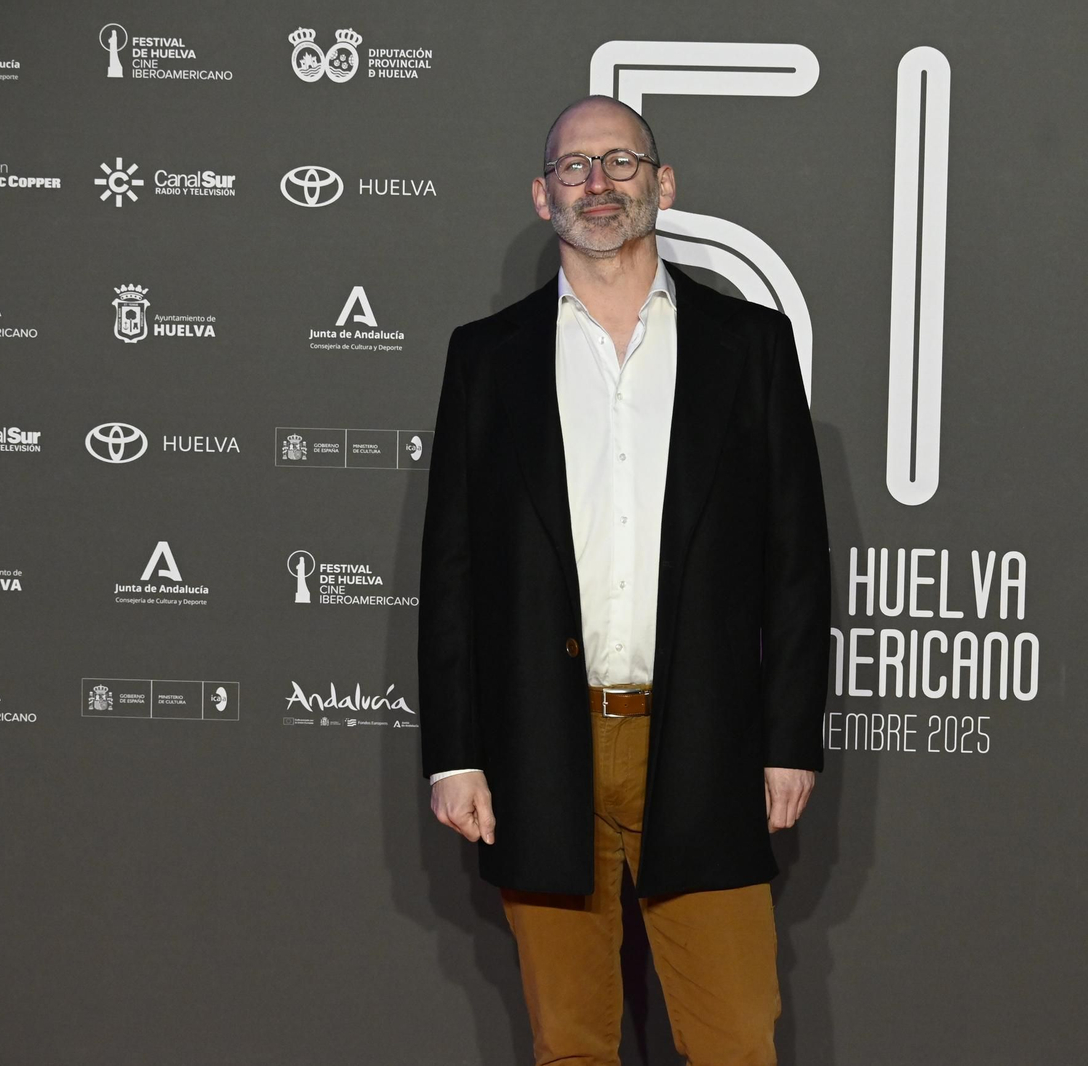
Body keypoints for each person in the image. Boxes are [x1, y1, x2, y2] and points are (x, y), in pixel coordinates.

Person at [418, 94, 831, 1066]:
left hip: (709, 747)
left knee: (735, 1037)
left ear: (663, 182)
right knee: (570, 1043)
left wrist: (787, 738)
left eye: (620, 161)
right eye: (574, 166)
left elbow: (796, 565)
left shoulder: (751, 347)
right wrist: (454, 753)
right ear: (541, 194)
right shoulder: (485, 360)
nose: (598, 184)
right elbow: (453, 573)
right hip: (539, 750)